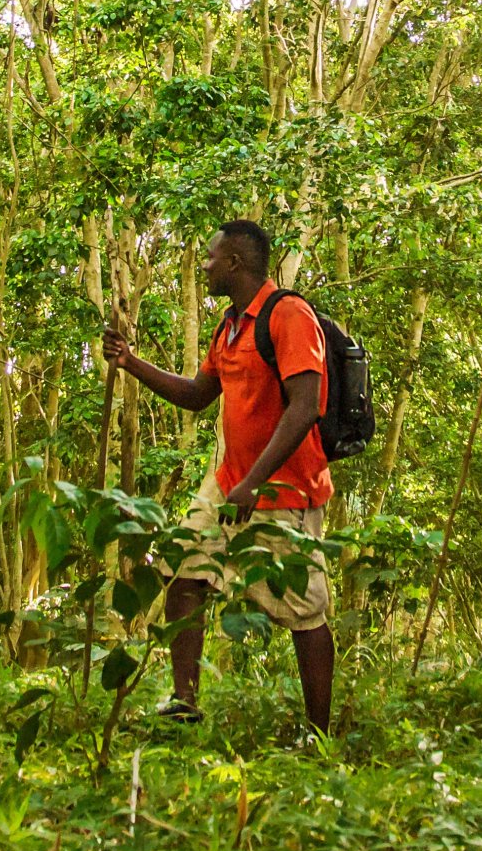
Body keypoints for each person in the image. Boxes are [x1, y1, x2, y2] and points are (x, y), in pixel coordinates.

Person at [102, 219, 335, 733]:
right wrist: (130, 362)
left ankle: (319, 733)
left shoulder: (289, 316)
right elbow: (197, 395)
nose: (204, 266)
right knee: (183, 570)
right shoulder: (228, 327)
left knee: (305, 610)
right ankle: (184, 703)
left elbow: (305, 406)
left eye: (211, 258)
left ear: (234, 262)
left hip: (284, 489)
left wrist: (256, 481)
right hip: (228, 482)